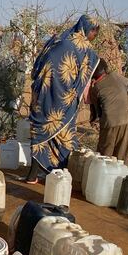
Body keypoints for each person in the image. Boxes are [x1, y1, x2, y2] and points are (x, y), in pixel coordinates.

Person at [25, 15, 100, 183]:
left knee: (39, 132)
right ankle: (62, 174)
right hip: (64, 100)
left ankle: (32, 175)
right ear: (89, 29)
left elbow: (38, 65)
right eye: (95, 32)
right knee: (64, 135)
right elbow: (87, 73)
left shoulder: (59, 38)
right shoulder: (85, 48)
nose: (94, 37)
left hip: (42, 94)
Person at [89, 59, 128, 162]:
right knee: (123, 156)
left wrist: (95, 120)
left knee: (104, 156)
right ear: (105, 69)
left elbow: (97, 112)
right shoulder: (115, 76)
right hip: (126, 120)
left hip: (109, 123)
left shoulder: (96, 88)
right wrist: (122, 95)